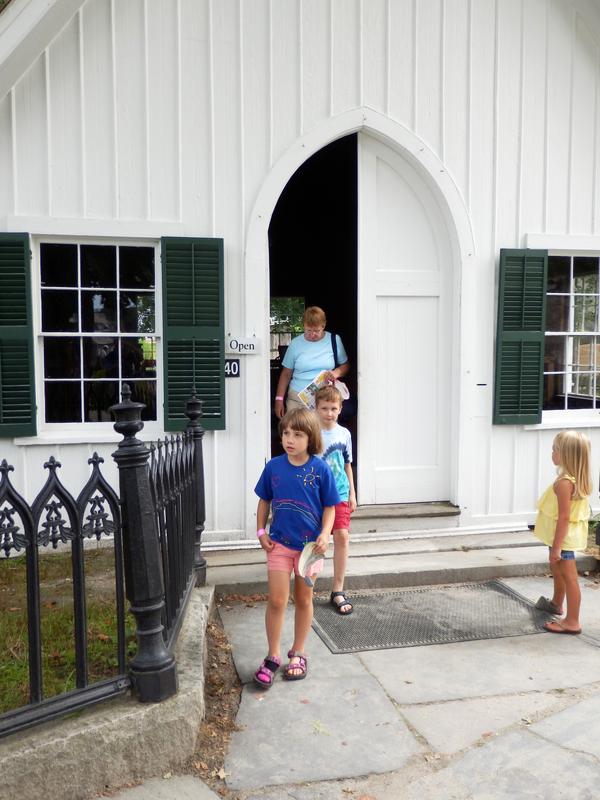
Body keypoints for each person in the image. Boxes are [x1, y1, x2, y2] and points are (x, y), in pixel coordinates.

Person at [253, 407, 339, 688]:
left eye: (298, 434)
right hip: (278, 544)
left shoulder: (320, 469)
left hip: (310, 550)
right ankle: (273, 655)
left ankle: (298, 653)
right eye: (286, 433)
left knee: (303, 599)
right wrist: (261, 530)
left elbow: (330, 507)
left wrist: (326, 534)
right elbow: (264, 500)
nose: (290, 439)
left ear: (310, 437)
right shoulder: (274, 467)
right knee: (277, 600)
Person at [532, 430, 592, 635]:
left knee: (569, 577)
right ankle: (557, 604)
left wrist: (556, 547)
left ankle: (572, 621)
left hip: (563, 540)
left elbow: (564, 517)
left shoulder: (565, 483)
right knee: (557, 570)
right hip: (559, 538)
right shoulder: (570, 479)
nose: (552, 453)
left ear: (566, 455)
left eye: (555, 449)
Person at [315, 385, 357, 615]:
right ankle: (306, 584)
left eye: (333, 408)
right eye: (324, 408)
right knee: (315, 540)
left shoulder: (344, 434)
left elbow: (347, 464)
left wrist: (352, 492)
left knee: (341, 535)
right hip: (316, 495)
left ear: (340, 409)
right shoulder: (311, 432)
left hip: (340, 493)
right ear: (316, 408)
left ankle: (338, 589)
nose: (329, 413)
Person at [274, 306, 350, 418]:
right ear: (303, 326)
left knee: (323, 435)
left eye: (317, 331)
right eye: (308, 330)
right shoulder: (295, 344)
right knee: (297, 433)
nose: (312, 335)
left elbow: (346, 365)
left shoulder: (334, 340)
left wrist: (335, 373)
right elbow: (286, 374)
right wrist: (279, 399)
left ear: (323, 326)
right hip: (297, 398)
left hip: (325, 399)